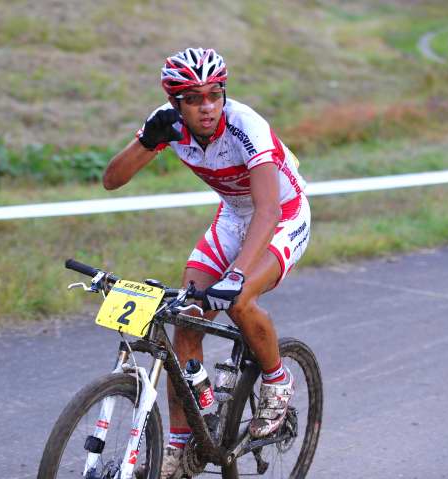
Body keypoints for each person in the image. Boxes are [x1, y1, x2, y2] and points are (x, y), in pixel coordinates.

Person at [103, 47, 311, 478]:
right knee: (187, 317)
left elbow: (268, 212)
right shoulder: (167, 123)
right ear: (176, 101)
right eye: (194, 98)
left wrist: (235, 276)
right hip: (234, 216)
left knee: (239, 300)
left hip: (282, 214)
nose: (208, 106)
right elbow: (112, 180)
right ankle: (181, 447)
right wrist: (146, 141)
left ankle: (277, 379)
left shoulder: (245, 126)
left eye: (215, 94)